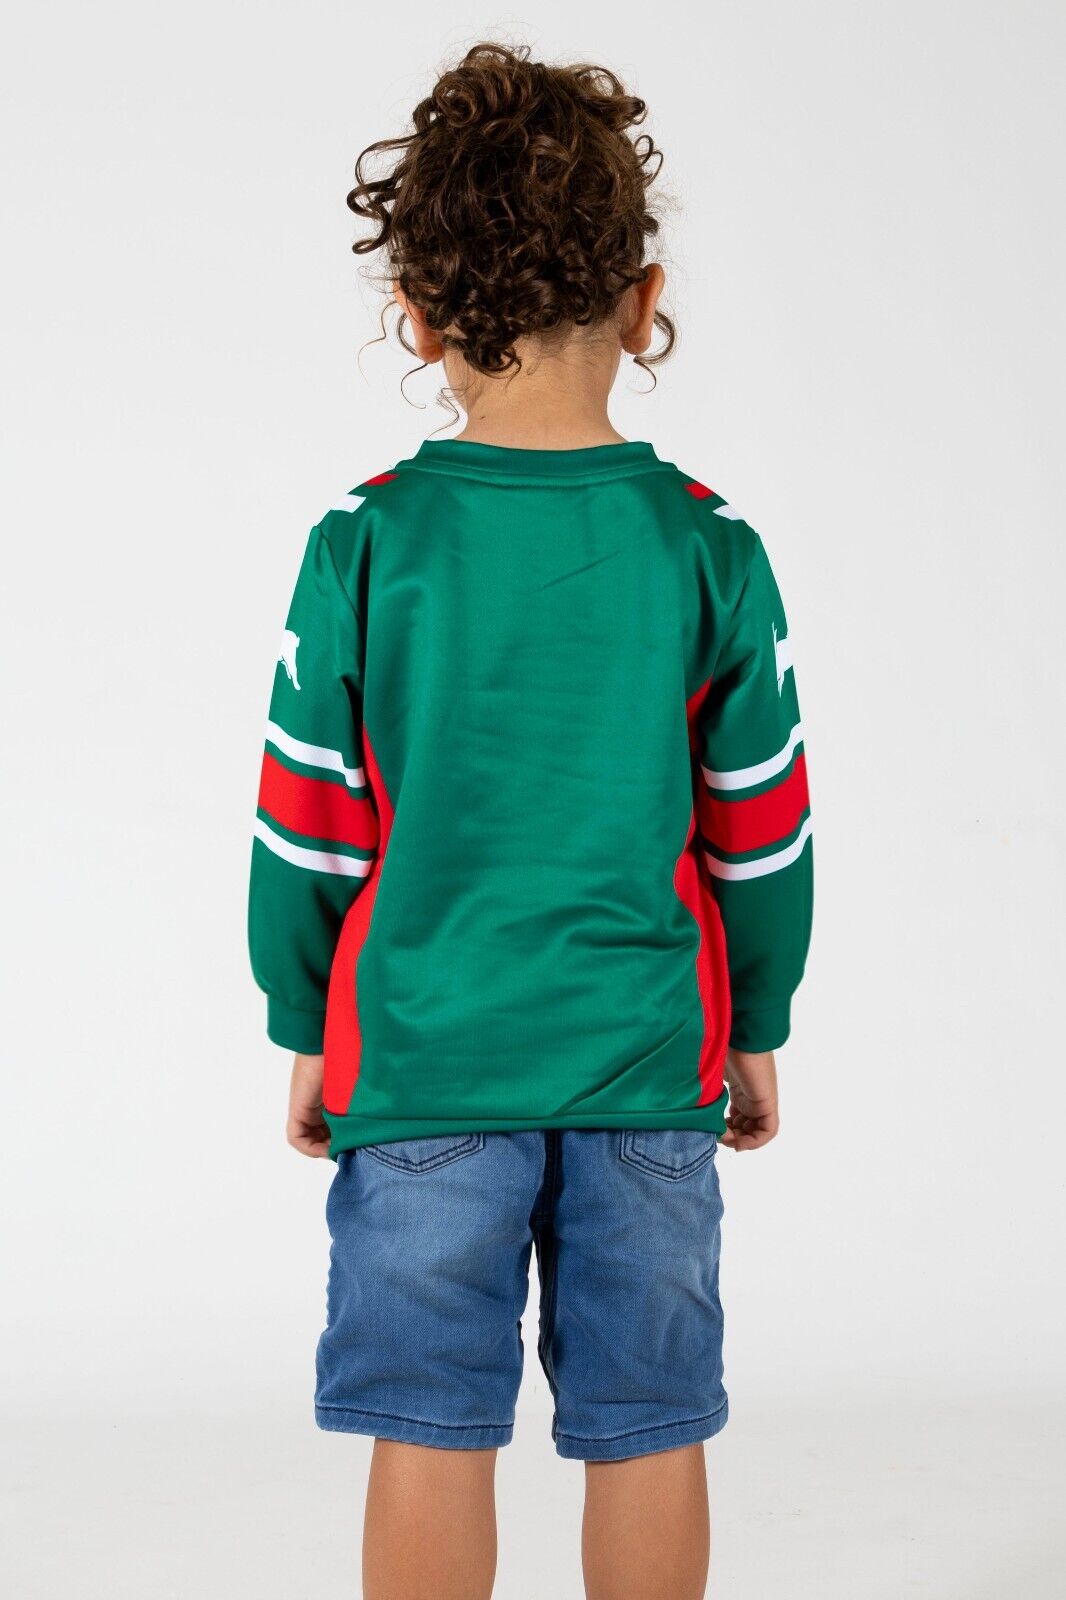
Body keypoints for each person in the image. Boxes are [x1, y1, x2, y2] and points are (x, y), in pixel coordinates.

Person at [248, 41, 812, 1600]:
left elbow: (305, 829)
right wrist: (757, 1019)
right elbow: (761, 833)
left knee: (428, 1422)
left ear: (417, 316)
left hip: (421, 1061)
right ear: (642, 300)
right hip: (645, 1060)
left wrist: (306, 1020)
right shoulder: (707, 548)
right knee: (647, 1422)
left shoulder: (365, 543)